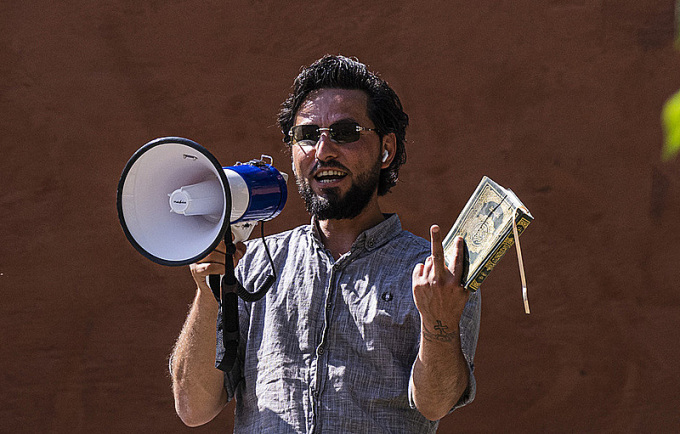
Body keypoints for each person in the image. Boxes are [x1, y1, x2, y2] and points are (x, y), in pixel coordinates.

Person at [170, 54, 481, 433]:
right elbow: (193, 407)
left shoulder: (435, 275)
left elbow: (435, 403)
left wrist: (439, 322)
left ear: (386, 149)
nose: (323, 151)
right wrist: (207, 291)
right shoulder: (253, 264)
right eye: (306, 135)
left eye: (345, 132)